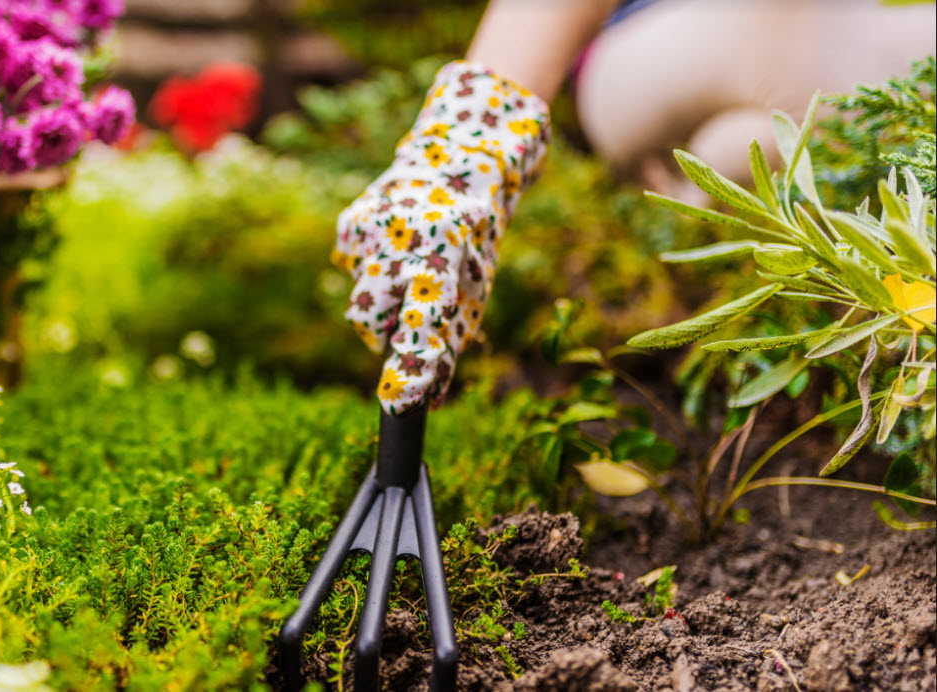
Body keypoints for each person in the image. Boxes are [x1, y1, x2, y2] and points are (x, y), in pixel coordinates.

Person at [335, 0, 936, 415]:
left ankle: (719, 172)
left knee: (746, 146)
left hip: (646, 82)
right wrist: (463, 150)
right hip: (691, 41)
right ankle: (731, 173)